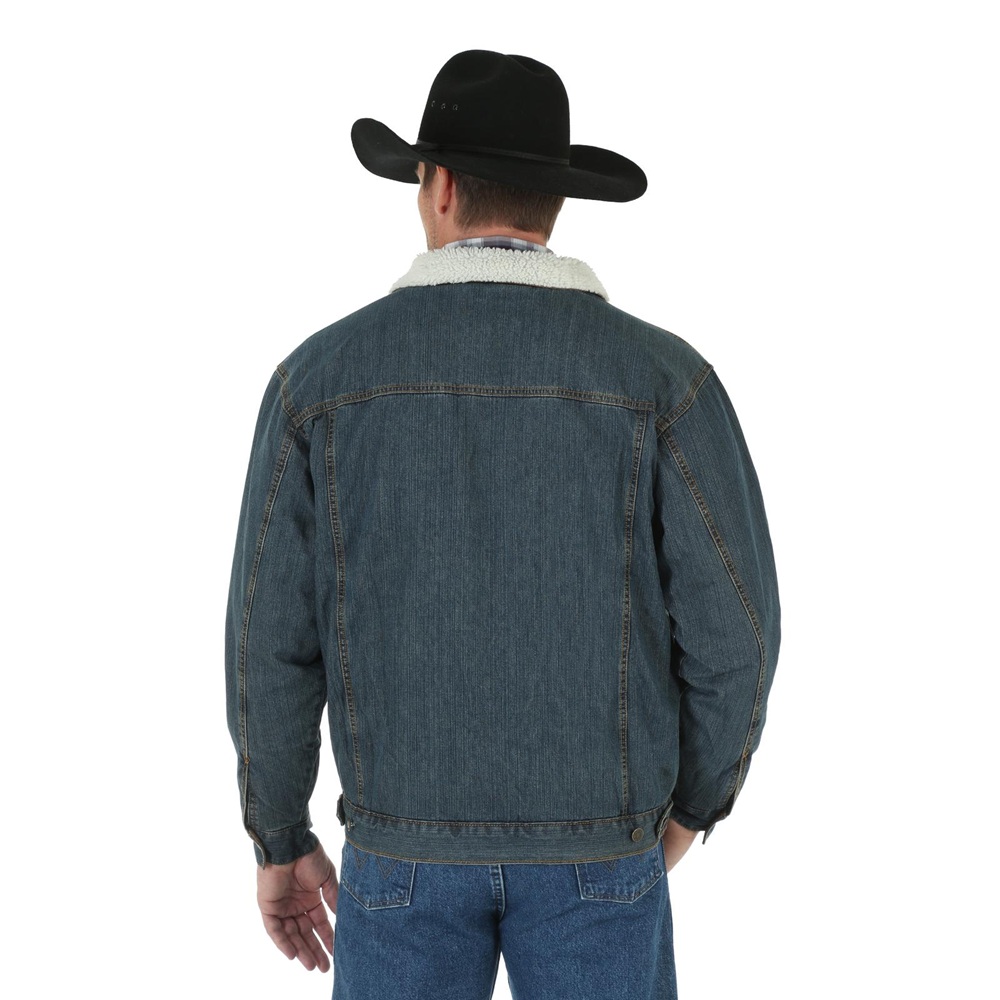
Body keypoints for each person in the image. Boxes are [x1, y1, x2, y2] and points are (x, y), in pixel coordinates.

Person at [225, 49, 781, 999]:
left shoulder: (317, 384)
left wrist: (280, 837)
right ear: (555, 202)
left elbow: (267, 645)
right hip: (602, 852)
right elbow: (737, 634)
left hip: (399, 852)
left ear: (439, 187)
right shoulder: (665, 382)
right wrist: (692, 808)